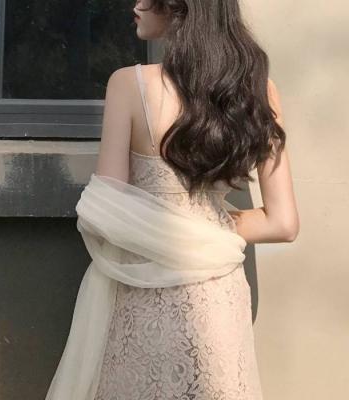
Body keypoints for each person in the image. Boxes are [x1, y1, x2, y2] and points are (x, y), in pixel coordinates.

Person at [46, 1, 300, 399]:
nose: (135, 5)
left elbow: (106, 212)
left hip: (141, 287)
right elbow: (282, 223)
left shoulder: (129, 85)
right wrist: (207, 227)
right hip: (218, 294)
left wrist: (169, 227)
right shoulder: (258, 90)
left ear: (180, 7)